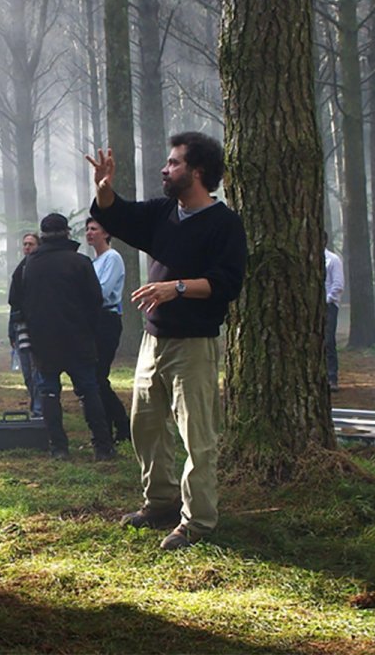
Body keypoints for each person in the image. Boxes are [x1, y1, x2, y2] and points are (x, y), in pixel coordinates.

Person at [89, 132, 246, 550]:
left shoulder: (224, 223)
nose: (165, 168)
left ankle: (197, 522)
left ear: (197, 172)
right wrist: (105, 192)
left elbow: (227, 282)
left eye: (174, 162)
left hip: (193, 344)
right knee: (146, 428)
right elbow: (119, 217)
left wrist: (175, 288)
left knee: (197, 436)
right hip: (153, 341)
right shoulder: (164, 212)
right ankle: (160, 503)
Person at [11, 213, 116, 461]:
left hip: (42, 342)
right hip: (78, 339)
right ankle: (102, 447)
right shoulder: (80, 262)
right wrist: (87, 329)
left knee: (48, 393)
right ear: (67, 233)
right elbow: (95, 301)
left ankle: (58, 447)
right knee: (89, 391)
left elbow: (15, 302)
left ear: (43, 235)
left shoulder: (27, 265)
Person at [85, 217, 129, 443]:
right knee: (95, 377)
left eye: (94, 229)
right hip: (94, 320)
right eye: (88, 229)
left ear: (106, 233)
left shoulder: (112, 258)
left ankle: (123, 426)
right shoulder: (94, 261)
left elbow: (101, 292)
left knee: (98, 377)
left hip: (107, 319)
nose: (89, 233)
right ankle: (112, 427)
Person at [8, 232, 42, 418]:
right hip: (21, 327)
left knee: (38, 369)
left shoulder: (43, 268)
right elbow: (14, 304)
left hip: (38, 326)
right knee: (27, 371)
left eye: (31, 244)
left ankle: (39, 409)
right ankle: (35, 403)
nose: (27, 247)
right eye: (25, 244)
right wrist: (11, 332)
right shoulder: (20, 270)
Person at [324, 231, 344, 392]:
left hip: (329, 306)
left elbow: (337, 285)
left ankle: (332, 378)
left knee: (328, 341)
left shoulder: (332, 260)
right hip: (312, 307)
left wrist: (326, 301)